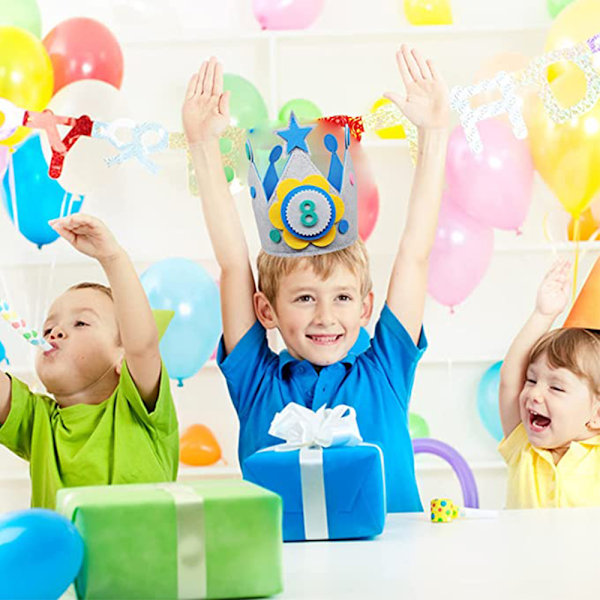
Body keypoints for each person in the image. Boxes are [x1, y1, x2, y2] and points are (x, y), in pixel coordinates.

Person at [182, 46, 449, 511]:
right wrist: (203, 146)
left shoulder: (385, 368)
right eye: (304, 298)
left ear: (366, 307)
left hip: (392, 579)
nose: (326, 316)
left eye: (343, 296)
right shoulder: (256, 380)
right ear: (266, 310)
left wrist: (435, 134)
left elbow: (414, 255)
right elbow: (232, 263)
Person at [0, 214, 179, 509]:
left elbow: (142, 345)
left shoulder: (139, 411)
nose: (55, 332)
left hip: (140, 557)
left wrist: (112, 257)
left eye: (81, 323)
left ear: (123, 355)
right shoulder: (37, 421)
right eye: (48, 329)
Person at [499, 259, 600, 508]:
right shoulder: (522, 445)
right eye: (532, 380)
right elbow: (510, 380)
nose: (534, 393)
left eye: (556, 387)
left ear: (597, 413)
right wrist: (543, 315)